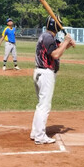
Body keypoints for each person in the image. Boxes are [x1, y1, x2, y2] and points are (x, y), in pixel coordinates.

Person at [30, 15, 75, 145]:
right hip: (46, 73)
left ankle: (35, 132)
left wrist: (66, 45)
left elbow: (56, 50)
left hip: (41, 73)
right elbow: (55, 55)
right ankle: (40, 136)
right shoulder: (48, 37)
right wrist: (66, 41)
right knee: (44, 106)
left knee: (41, 105)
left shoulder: (47, 36)